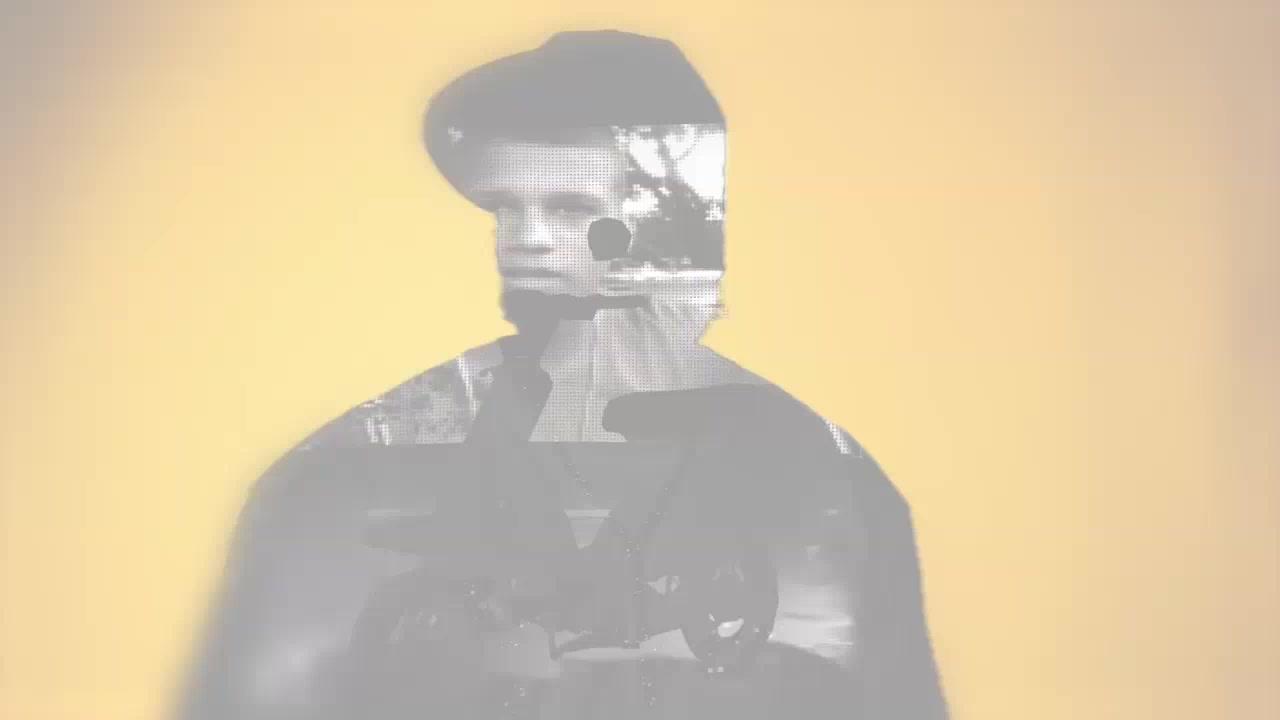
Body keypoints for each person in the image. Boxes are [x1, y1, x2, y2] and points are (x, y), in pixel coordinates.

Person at [174, 30, 948, 720]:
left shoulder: (825, 481)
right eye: (504, 210)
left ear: (674, 224)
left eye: (572, 208)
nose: (527, 240)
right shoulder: (343, 477)